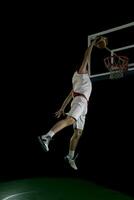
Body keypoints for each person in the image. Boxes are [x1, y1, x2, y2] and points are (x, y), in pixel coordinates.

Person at [38, 36, 107, 170]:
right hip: (80, 101)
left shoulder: (77, 81)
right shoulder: (81, 73)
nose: (86, 67)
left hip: (82, 104)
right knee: (70, 120)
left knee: (78, 133)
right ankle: (47, 136)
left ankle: (70, 156)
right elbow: (86, 56)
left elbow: (70, 96)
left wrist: (61, 108)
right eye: (84, 66)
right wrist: (92, 44)